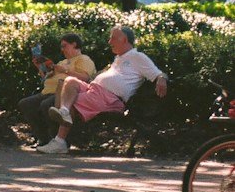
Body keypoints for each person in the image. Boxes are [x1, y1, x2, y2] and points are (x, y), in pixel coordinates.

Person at [37, 25, 169, 152]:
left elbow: (158, 73)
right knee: (69, 81)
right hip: (94, 90)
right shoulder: (119, 58)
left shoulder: (137, 57)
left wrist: (162, 78)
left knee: (65, 100)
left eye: (113, 38)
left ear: (124, 39)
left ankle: (59, 141)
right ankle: (64, 111)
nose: (109, 41)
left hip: (109, 99)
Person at [15, 37, 93, 141]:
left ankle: (57, 139)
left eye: (64, 46)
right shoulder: (62, 62)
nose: (62, 49)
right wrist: (39, 67)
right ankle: (43, 139)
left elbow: (85, 78)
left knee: (46, 105)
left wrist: (65, 71)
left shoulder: (84, 59)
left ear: (74, 44)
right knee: (25, 103)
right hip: (46, 92)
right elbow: (46, 78)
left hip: (64, 93)